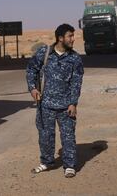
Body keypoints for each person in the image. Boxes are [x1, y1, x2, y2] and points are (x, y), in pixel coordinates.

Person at [26, 24, 84, 178]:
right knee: (45, 135)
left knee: (68, 136)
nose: (73, 39)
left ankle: (70, 165)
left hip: (66, 106)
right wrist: (32, 88)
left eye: (73, 36)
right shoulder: (44, 53)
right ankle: (46, 162)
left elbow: (76, 82)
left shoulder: (75, 58)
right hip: (45, 105)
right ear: (60, 38)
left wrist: (73, 102)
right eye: (70, 36)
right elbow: (31, 70)